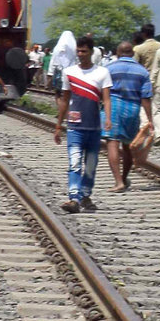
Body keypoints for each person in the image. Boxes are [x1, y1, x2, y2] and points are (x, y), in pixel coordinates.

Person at [54, 36, 112, 214]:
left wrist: (108, 119)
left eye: (84, 51)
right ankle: (74, 197)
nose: (80, 55)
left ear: (91, 52)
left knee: (91, 165)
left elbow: (106, 99)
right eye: (78, 51)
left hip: (94, 127)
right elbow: (65, 100)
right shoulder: (69, 72)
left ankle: (85, 195)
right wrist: (58, 125)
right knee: (75, 163)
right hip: (74, 128)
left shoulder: (102, 73)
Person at [101, 42, 153, 193]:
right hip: (133, 108)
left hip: (114, 106)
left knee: (112, 143)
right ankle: (124, 177)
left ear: (117, 52)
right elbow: (146, 97)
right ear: (132, 53)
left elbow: (101, 91)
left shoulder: (108, 68)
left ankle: (118, 182)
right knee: (128, 145)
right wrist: (149, 119)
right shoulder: (142, 71)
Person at [48, 31, 78, 105]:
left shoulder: (57, 48)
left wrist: (50, 73)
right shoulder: (75, 49)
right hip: (72, 73)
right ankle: (68, 109)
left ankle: (61, 110)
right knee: (68, 93)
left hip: (59, 72)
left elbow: (53, 61)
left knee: (58, 93)